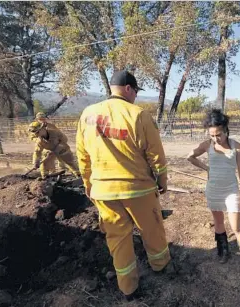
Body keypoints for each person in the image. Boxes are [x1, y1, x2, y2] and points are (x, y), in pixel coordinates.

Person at [76, 70, 172, 301]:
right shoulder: (138, 115)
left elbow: (82, 155)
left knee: (117, 240)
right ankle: (161, 266)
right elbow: (156, 155)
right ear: (128, 89)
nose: (136, 96)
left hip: (103, 191)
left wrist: (88, 184)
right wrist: (162, 181)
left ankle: (128, 288)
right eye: (136, 92)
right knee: (152, 229)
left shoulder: (87, 114)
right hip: (137, 189)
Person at [187, 109, 240, 265]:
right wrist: (207, 168)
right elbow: (190, 157)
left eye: (219, 135)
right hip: (213, 190)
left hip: (231, 190)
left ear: (225, 130)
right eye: (212, 135)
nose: (216, 139)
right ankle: (223, 250)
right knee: (218, 222)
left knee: (236, 225)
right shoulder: (207, 145)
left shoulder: (236, 146)